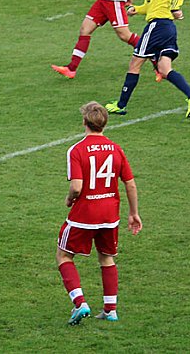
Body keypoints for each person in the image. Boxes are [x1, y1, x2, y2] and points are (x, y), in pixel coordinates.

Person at [56, 102, 142, 325]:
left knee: (64, 255)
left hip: (84, 215)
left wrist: (69, 199)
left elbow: (76, 187)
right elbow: (130, 183)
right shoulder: (116, 149)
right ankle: (110, 310)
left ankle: (80, 303)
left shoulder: (76, 150)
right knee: (106, 258)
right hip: (109, 215)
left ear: (84, 122)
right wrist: (133, 213)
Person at [105, 0, 190, 118]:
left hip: (157, 26)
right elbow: (151, 6)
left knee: (135, 64)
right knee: (164, 69)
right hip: (167, 28)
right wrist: (136, 9)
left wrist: (175, 8)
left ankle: (121, 105)